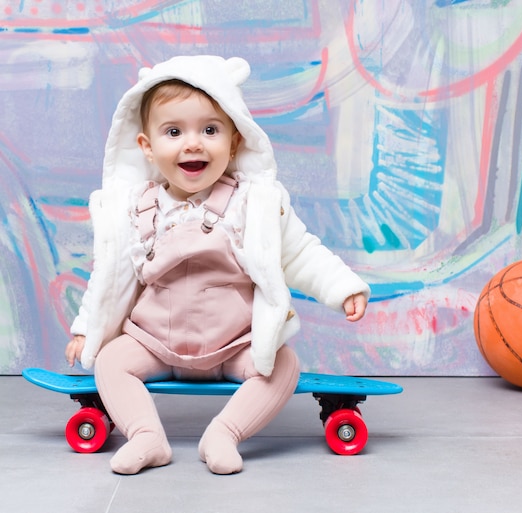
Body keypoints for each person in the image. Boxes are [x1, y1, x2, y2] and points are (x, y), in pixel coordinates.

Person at [64, 55, 370, 475]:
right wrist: (86, 329)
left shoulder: (254, 204)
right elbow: (110, 274)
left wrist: (342, 287)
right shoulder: (138, 208)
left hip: (233, 345)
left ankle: (224, 433)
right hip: (154, 341)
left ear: (235, 141)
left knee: (284, 365)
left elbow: (299, 251)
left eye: (210, 130)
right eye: (174, 131)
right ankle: (146, 435)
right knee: (110, 362)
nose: (193, 144)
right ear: (147, 148)